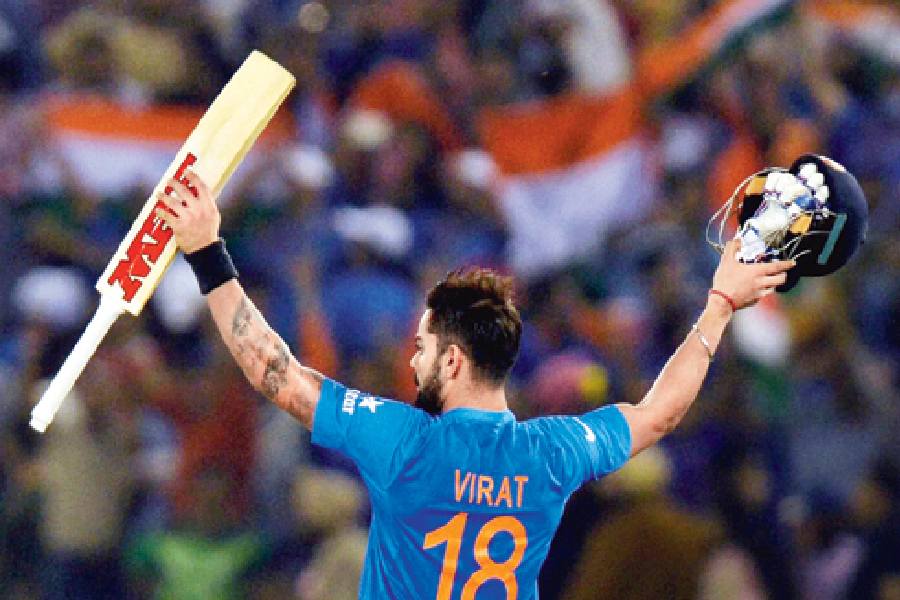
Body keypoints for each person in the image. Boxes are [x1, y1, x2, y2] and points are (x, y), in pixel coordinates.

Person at [153, 169, 795, 599]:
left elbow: (276, 374)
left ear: (454, 361)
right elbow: (660, 413)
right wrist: (719, 306)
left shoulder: (405, 440)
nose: (412, 364)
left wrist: (207, 252)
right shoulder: (551, 453)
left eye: (422, 349)